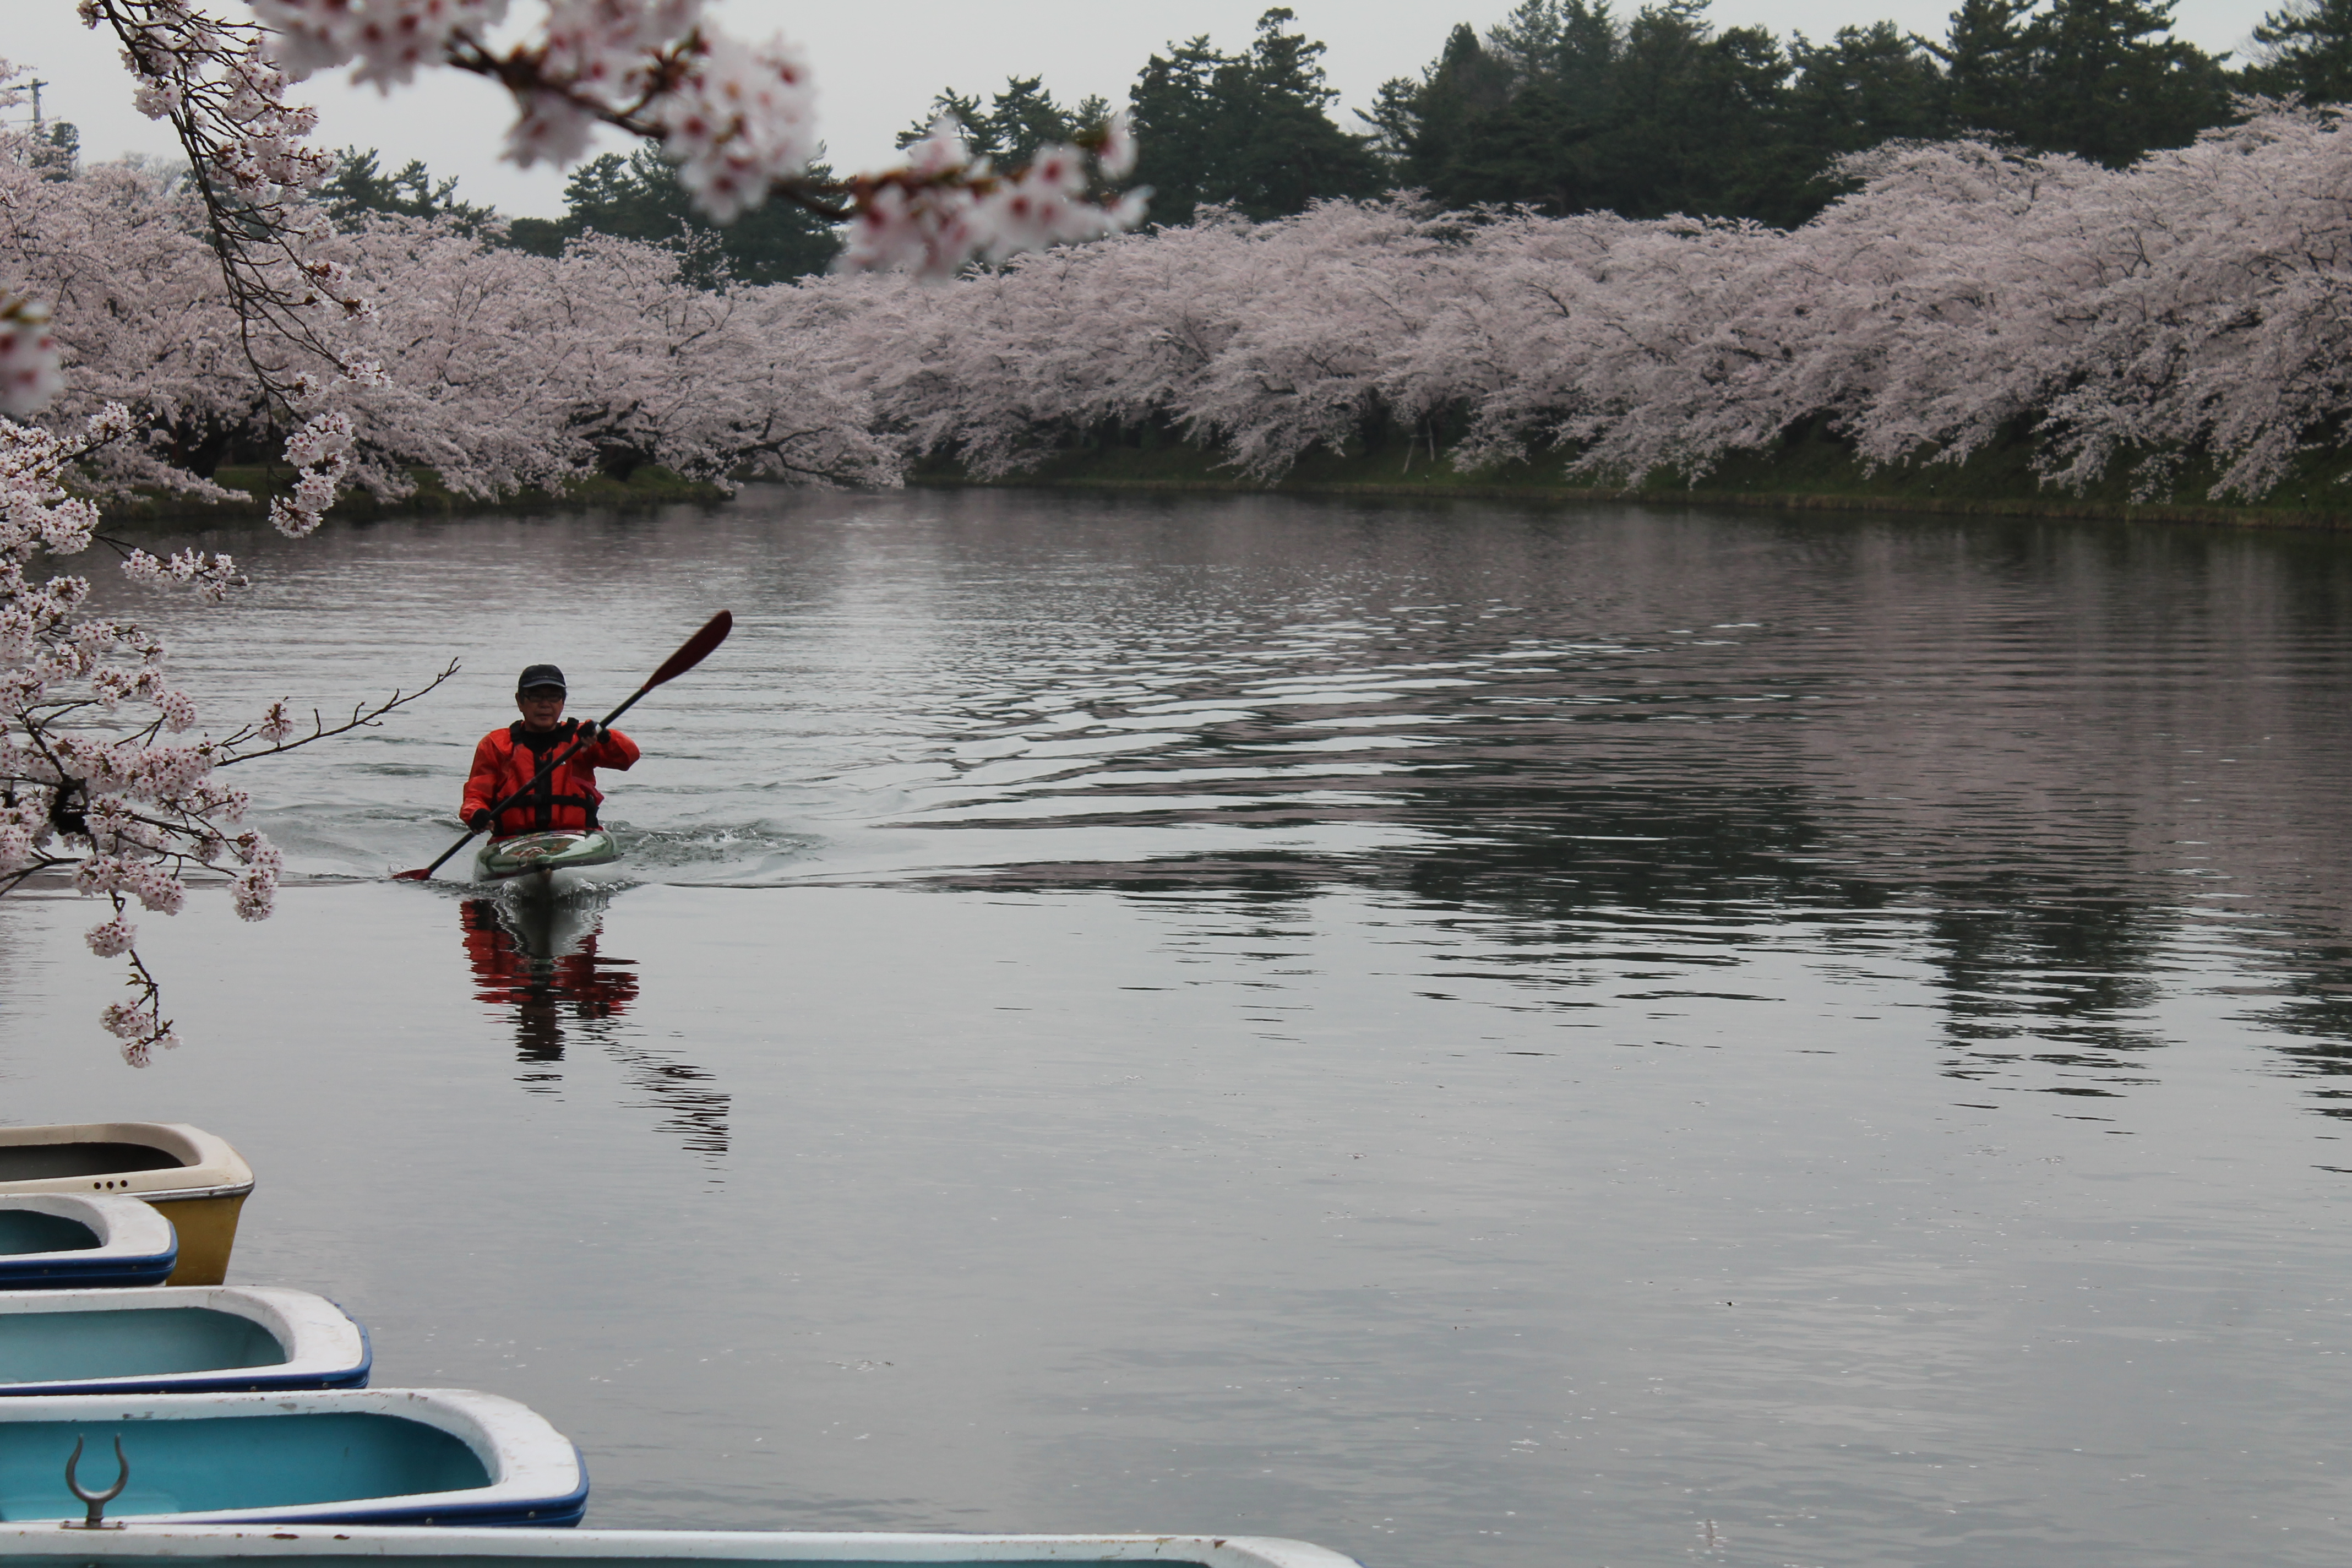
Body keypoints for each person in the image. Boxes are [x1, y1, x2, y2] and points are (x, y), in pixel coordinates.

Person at [461, 664, 640, 840]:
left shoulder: (584, 739)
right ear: (520, 701)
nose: (545, 705)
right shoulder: (495, 745)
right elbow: (475, 795)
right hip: (512, 840)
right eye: (535, 697)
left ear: (563, 702)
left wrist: (605, 736)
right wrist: (477, 813)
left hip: (577, 838)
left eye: (553, 697)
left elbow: (628, 757)